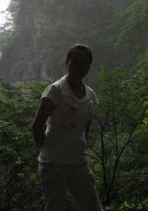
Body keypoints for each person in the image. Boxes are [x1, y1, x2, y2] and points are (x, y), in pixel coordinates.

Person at [33, 44, 103, 211]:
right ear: (67, 63)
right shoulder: (55, 91)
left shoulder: (90, 95)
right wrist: (48, 150)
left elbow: (86, 126)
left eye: (84, 62)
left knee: (92, 206)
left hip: (79, 162)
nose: (79, 66)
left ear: (89, 66)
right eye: (75, 61)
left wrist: (79, 145)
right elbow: (37, 125)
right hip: (53, 164)